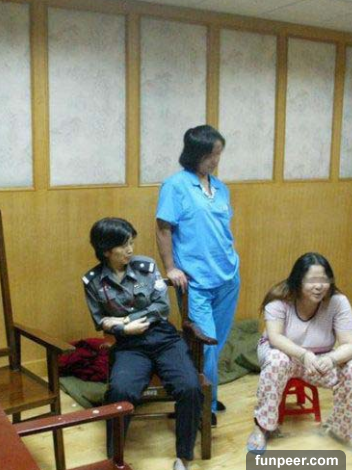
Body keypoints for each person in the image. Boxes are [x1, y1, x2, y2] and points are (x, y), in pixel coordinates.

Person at [82, 217, 202, 470]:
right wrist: (124, 329)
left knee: (190, 387)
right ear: (106, 250)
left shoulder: (146, 266)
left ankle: (184, 457)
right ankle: (115, 459)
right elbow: (100, 320)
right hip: (129, 345)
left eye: (131, 243)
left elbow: (162, 307)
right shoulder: (93, 281)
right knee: (120, 391)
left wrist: (125, 319)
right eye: (123, 245)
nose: (130, 249)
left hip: (163, 338)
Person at [155, 124, 239, 424]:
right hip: (196, 282)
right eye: (211, 154)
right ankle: (203, 407)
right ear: (195, 153)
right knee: (205, 345)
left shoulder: (221, 188)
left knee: (217, 343)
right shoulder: (175, 186)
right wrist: (170, 268)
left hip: (228, 277)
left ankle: (207, 394)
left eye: (219, 154)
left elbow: (222, 229)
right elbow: (163, 228)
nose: (216, 160)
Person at [246, 252, 352, 455]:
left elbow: (351, 344)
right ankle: (263, 426)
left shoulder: (338, 302)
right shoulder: (279, 299)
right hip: (284, 354)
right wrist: (304, 355)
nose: (319, 286)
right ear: (298, 280)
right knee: (277, 360)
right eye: (312, 280)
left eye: (324, 280)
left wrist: (331, 359)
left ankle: (341, 428)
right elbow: (275, 338)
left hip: (320, 358)